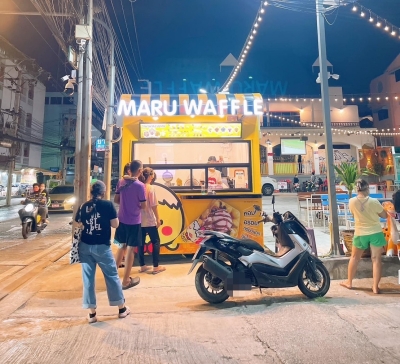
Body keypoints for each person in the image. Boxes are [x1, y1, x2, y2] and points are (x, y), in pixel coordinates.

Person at [75, 181, 130, 323]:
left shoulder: (83, 206)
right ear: (103, 192)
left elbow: (79, 223)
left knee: (88, 279)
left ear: (91, 191)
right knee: (112, 276)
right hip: (102, 247)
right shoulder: (108, 205)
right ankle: (121, 309)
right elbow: (115, 224)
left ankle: (92, 314)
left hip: (85, 247)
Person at [340, 179, 388, 294]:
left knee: (354, 258)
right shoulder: (373, 201)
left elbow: (353, 214)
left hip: (360, 233)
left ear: (357, 189)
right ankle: (375, 287)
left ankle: (349, 282)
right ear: (367, 189)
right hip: (375, 232)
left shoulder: (351, 201)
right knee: (376, 260)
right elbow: (384, 215)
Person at [114, 160, 146, 290]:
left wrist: (126, 204)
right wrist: (135, 205)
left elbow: (116, 200)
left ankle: (113, 279)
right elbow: (143, 205)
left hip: (121, 220)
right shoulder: (140, 186)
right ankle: (126, 281)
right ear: (139, 171)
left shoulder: (121, 182)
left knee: (121, 248)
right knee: (131, 250)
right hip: (134, 222)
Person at [138, 167, 165, 274]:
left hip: (139, 220)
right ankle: (156, 266)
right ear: (150, 176)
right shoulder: (151, 188)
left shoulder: (139, 187)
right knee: (156, 241)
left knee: (140, 243)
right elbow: (154, 205)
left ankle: (142, 265)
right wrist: (158, 218)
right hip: (149, 219)